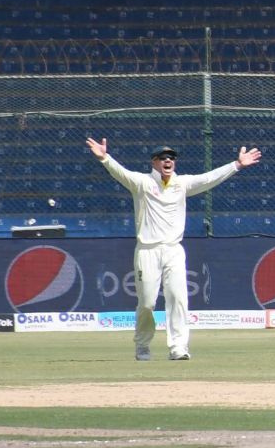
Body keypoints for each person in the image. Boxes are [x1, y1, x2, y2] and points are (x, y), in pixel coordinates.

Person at [87, 139, 261, 361]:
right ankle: (142, 345)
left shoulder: (182, 184)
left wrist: (236, 165)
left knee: (178, 298)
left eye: (171, 158)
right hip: (147, 250)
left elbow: (209, 179)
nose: (168, 160)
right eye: (162, 158)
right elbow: (120, 173)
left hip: (173, 250)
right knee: (148, 303)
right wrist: (104, 158)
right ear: (154, 162)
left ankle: (178, 347)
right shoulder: (142, 183)